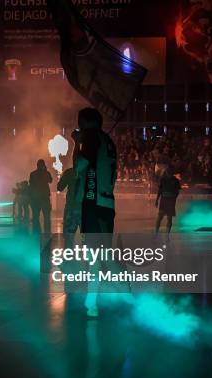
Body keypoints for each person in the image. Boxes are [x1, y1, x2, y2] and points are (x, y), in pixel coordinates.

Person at [71, 107, 118, 317]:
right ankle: (116, 295)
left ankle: (92, 302)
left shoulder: (90, 137)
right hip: (107, 203)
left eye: (80, 121)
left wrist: (76, 144)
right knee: (103, 254)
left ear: (86, 122)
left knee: (93, 256)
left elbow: (79, 167)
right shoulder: (109, 141)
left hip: (92, 203)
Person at [155, 166, 181, 235]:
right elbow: (160, 190)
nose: (168, 172)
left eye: (169, 171)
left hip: (170, 200)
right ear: (166, 172)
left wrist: (174, 198)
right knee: (160, 217)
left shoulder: (175, 180)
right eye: (167, 171)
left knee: (169, 218)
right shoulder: (163, 179)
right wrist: (157, 200)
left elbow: (177, 191)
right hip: (164, 199)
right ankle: (156, 232)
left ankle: (167, 234)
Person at [29, 160, 52, 233]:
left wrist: (31, 197)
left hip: (36, 198)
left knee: (35, 217)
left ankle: (36, 234)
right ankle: (47, 234)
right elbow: (50, 180)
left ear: (37, 165)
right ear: (43, 165)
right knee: (47, 218)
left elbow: (31, 185)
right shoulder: (46, 173)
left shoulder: (33, 174)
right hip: (45, 197)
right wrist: (46, 171)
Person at [57, 167, 80, 234]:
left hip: (71, 207)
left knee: (68, 236)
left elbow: (60, 188)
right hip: (85, 209)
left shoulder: (69, 172)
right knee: (85, 237)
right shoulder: (89, 171)